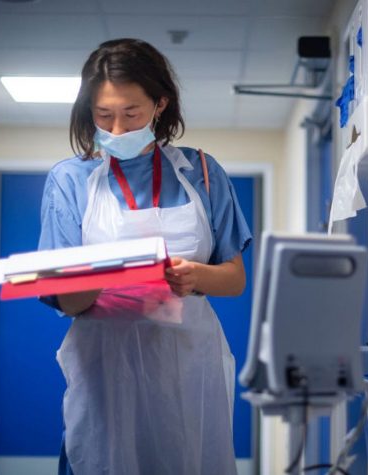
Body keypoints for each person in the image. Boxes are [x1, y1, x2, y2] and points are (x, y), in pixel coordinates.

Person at [38, 38, 252, 475]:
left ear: (160, 104)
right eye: (103, 116)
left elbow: (234, 279)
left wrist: (194, 277)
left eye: (130, 114)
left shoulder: (202, 172)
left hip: (187, 366)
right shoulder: (70, 181)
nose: (116, 129)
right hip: (104, 371)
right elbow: (67, 301)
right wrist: (102, 276)